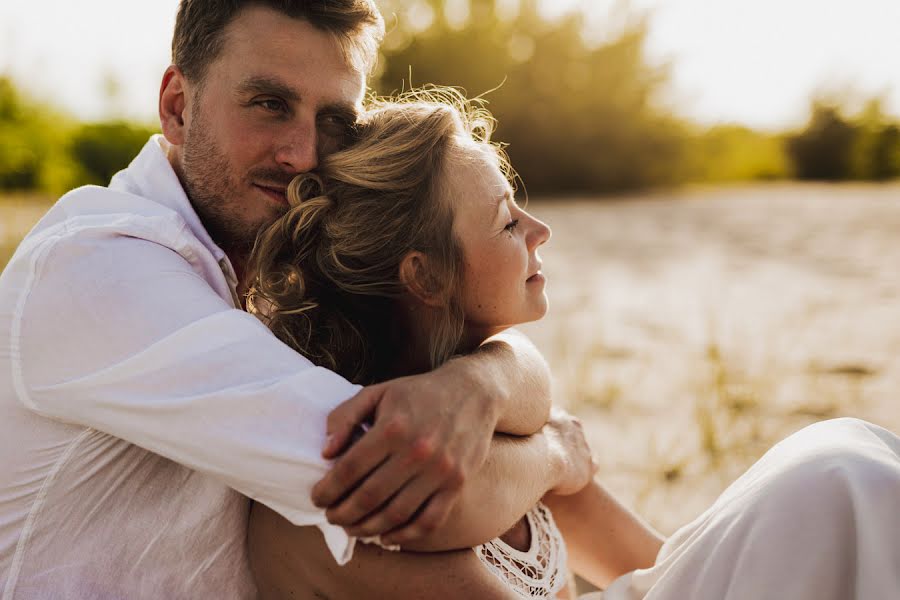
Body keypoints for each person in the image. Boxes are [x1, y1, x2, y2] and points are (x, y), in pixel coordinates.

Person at [0, 2, 594, 597]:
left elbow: (495, 364)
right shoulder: (103, 266)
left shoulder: (281, 276)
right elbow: (405, 480)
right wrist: (555, 453)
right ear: (178, 106)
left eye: (335, 119)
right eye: (269, 104)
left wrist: (479, 387)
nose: (304, 154)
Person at [243, 92, 900, 599]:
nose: (540, 229)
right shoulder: (350, 495)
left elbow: (659, 563)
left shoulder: (495, 424)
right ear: (426, 275)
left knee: (845, 469)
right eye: (506, 220)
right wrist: (555, 454)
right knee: (838, 474)